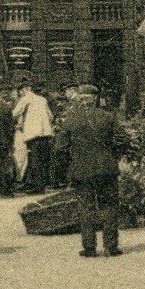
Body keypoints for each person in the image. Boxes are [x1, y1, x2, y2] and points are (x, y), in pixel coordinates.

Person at [53, 84, 123, 257]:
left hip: (82, 169)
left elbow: (59, 148)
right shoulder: (108, 117)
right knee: (109, 206)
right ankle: (111, 247)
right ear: (96, 99)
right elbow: (122, 139)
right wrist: (110, 154)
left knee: (86, 208)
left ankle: (90, 248)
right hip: (107, 168)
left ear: (80, 100)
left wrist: (71, 162)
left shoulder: (71, 120)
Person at [12, 76, 55, 194]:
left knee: (34, 161)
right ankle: (41, 185)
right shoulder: (42, 99)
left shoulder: (25, 99)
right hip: (46, 134)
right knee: (42, 160)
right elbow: (50, 116)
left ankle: (37, 188)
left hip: (33, 135)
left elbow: (14, 114)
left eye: (20, 92)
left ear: (23, 90)